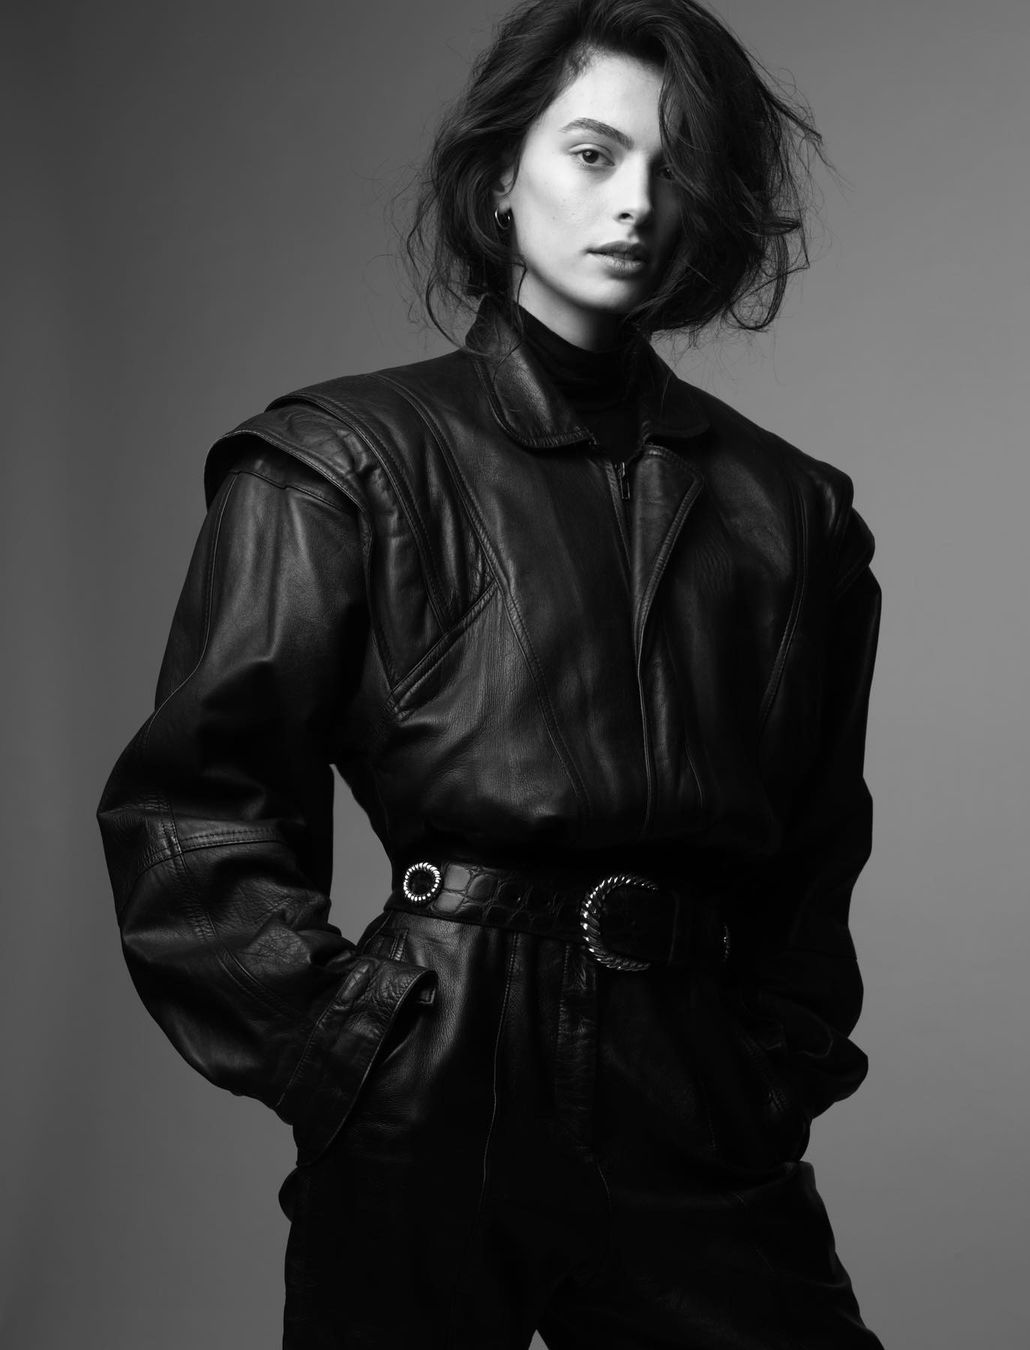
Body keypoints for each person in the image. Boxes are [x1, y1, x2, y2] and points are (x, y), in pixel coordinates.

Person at [96, 0, 886, 1345]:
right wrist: (342, 1053)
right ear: (500, 176)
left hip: (696, 1094)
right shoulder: (340, 459)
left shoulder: (794, 512)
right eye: (593, 152)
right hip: (435, 1072)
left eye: (679, 167)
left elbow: (815, 849)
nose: (637, 201)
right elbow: (192, 807)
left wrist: (774, 1072)